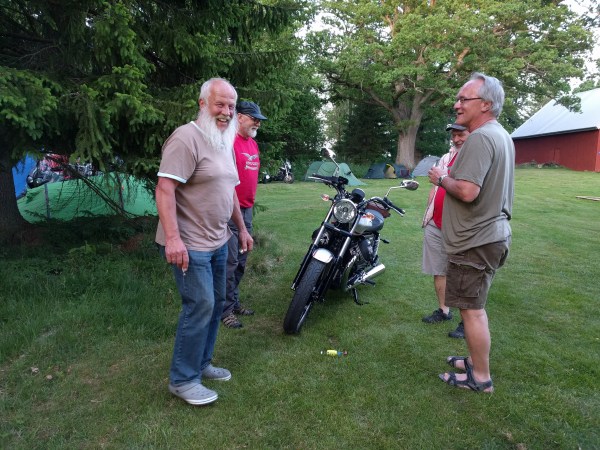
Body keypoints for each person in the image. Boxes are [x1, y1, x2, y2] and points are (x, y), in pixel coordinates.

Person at [155, 78, 254, 406]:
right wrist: (173, 239)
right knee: (200, 306)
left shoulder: (223, 141)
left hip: (218, 240)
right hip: (190, 244)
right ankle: (183, 379)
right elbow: (164, 189)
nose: (226, 112)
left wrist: (241, 229)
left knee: (216, 303)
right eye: (219, 104)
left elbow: (230, 191)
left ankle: (201, 363)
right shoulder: (186, 138)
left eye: (231, 106)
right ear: (202, 104)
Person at [428, 72, 514, 393]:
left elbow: (467, 191)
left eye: (464, 99)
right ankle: (474, 361)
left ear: (486, 104)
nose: (457, 104)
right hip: (490, 235)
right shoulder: (501, 135)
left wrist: (441, 178)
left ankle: (480, 377)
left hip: (474, 240)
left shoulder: (479, 138)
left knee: (472, 312)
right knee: (473, 307)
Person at [221, 101, 267, 329]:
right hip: (230, 210)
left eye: (259, 120)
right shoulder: (228, 142)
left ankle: (233, 302)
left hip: (246, 210)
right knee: (229, 262)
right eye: (253, 118)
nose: (257, 122)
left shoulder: (253, 144)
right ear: (239, 117)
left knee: (241, 260)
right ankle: (225, 310)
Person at [421, 123, 469, 340]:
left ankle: (467, 321)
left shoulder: (474, 159)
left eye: (461, 134)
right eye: (454, 135)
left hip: (460, 226)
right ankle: (444, 311)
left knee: (464, 274)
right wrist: (429, 212)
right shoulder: (446, 157)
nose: (456, 139)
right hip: (436, 223)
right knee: (438, 269)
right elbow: (435, 186)